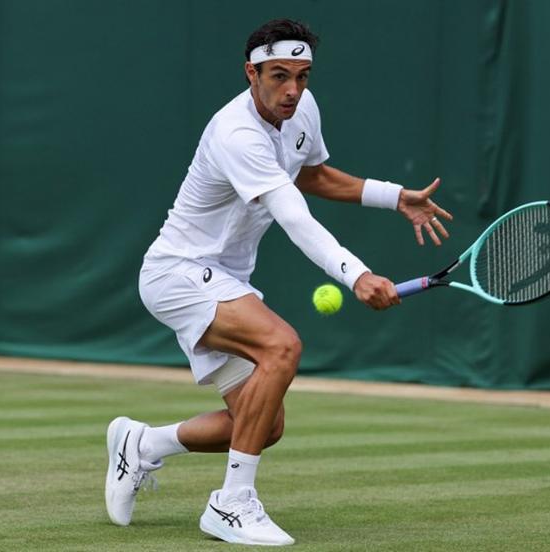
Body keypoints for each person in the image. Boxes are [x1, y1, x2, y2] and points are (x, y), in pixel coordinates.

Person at [105, 18, 452, 546]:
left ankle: (143, 444)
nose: (292, 89)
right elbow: (293, 214)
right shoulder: (236, 132)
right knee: (281, 345)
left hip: (224, 277)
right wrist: (356, 274)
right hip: (178, 272)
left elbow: (310, 175)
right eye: (279, 76)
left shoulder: (301, 109)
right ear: (252, 73)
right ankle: (231, 504)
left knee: (263, 427)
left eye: (302, 76)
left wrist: (392, 195)